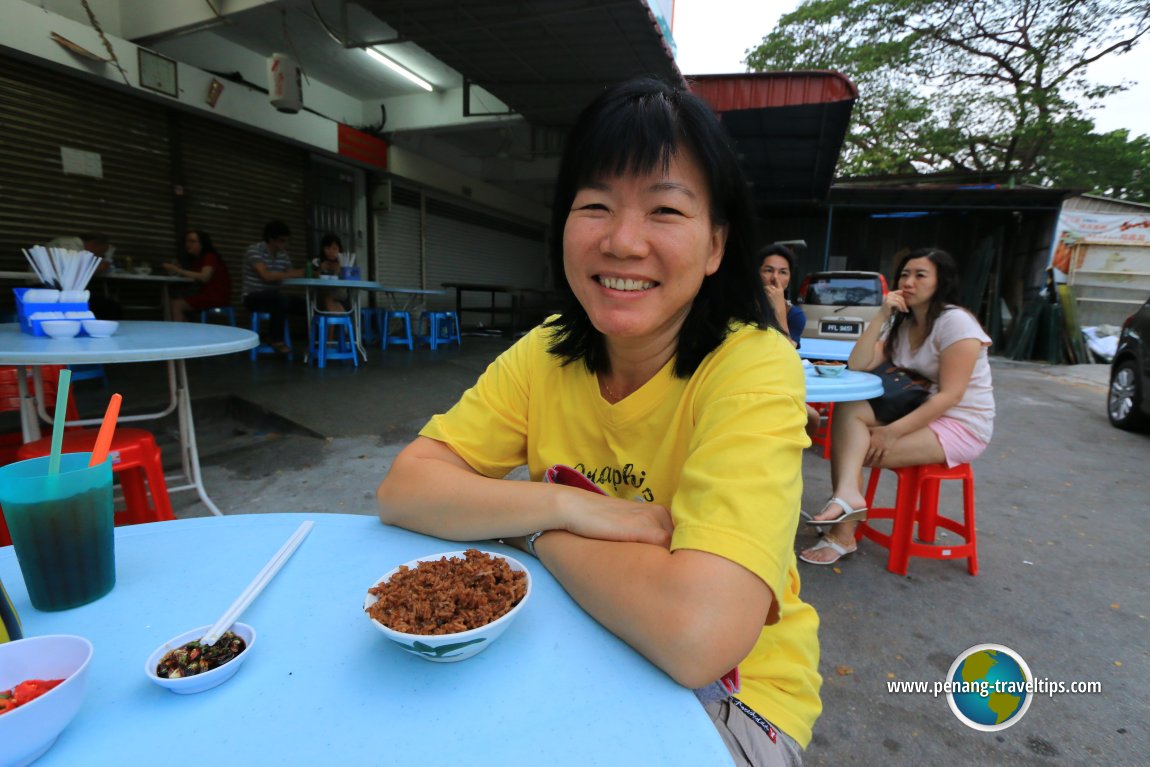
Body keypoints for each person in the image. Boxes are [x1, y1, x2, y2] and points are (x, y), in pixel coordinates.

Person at [376, 78, 820, 765]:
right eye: (596, 206)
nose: (622, 240)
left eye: (665, 210)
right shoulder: (546, 351)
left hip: (727, 702)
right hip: (566, 645)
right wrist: (567, 504)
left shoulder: (752, 367)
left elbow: (698, 632)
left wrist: (534, 529)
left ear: (714, 245)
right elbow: (406, 487)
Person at [799, 248, 995, 566]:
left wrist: (891, 433)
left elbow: (951, 396)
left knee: (852, 449)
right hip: (917, 408)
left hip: (960, 423)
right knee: (849, 410)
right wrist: (880, 315)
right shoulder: (901, 323)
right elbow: (859, 363)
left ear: (940, 282)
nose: (909, 281)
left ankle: (843, 531)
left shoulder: (956, 322)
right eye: (905, 274)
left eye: (920, 275)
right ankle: (848, 498)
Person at [242, 221, 305, 354]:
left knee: (304, 305)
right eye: (282, 241)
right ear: (271, 238)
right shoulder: (254, 251)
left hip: (274, 297)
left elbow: (290, 274)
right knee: (280, 299)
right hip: (253, 296)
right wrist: (293, 273)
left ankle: (314, 343)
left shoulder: (283, 255)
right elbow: (266, 276)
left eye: (287, 241)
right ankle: (275, 339)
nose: (285, 245)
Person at [48, 232, 122, 320]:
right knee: (110, 307)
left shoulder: (68, 243)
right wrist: (101, 265)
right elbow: (75, 273)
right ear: (96, 245)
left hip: (56, 288)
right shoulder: (71, 246)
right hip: (52, 289)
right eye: (102, 252)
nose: (100, 256)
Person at [163, 230, 231, 322]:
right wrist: (177, 269)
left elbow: (204, 277)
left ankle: (179, 334)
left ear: (202, 244)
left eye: (192, 241)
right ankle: (186, 333)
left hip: (215, 296)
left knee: (176, 304)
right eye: (186, 241)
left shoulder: (209, 256)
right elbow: (193, 276)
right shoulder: (196, 260)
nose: (188, 244)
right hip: (204, 294)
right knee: (174, 298)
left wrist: (177, 270)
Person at [759, 243, 806, 347]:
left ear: (789, 279)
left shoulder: (795, 315)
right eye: (768, 270)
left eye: (783, 272)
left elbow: (789, 351)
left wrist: (779, 308)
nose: (775, 277)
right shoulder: (742, 306)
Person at [314, 233, 350, 314]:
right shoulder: (317, 262)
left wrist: (338, 270)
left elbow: (347, 284)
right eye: (327, 248)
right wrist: (320, 269)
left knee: (331, 302)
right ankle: (344, 325)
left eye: (334, 248)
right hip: (321, 299)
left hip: (341, 298)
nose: (331, 252)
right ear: (323, 249)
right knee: (328, 300)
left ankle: (333, 325)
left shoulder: (344, 265)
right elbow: (313, 281)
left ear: (339, 250)